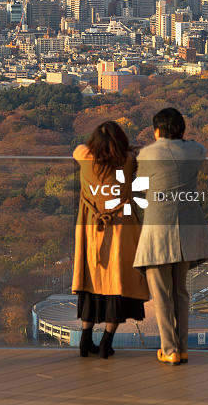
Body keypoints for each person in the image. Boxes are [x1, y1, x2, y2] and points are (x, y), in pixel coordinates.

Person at [133, 107, 208, 366]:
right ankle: (182, 348)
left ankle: (169, 349)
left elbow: (140, 186)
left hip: (158, 228)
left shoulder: (148, 154)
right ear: (181, 129)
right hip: (187, 229)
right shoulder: (194, 151)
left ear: (157, 131)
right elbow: (199, 147)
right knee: (180, 292)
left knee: (161, 294)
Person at [72, 121, 150, 359]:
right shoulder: (127, 160)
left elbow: (77, 150)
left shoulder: (84, 156)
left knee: (91, 283)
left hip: (91, 227)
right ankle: (107, 341)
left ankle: (85, 339)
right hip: (120, 226)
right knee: (118, 282)